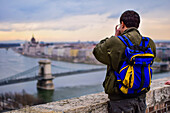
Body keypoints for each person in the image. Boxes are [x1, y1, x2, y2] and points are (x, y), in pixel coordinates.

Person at [93, 10, 156, 113]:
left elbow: (97, 52)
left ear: (122, 24)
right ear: (138, 25)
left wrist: (115, 36)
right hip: (141, 97)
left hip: (120, 99)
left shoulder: (116, 42)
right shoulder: (149, 43)